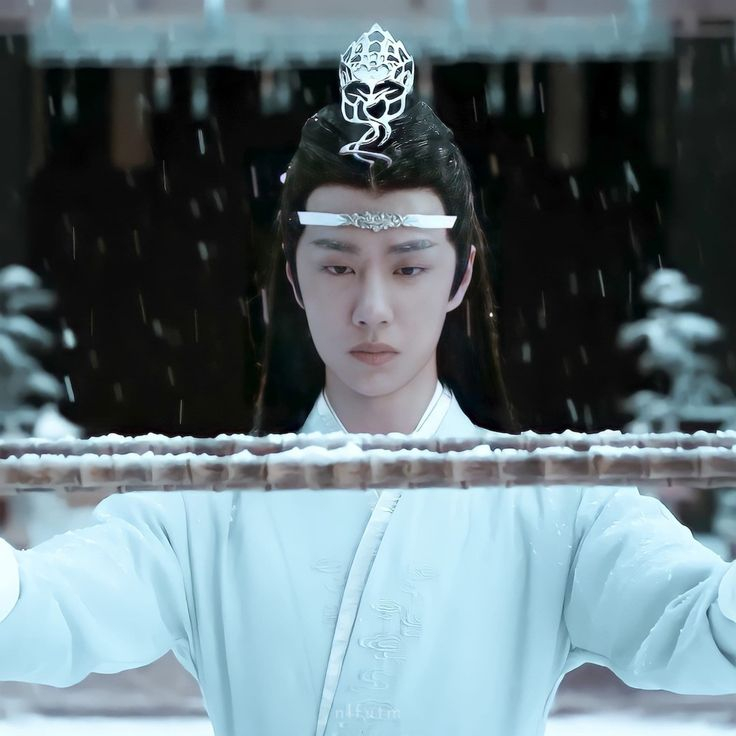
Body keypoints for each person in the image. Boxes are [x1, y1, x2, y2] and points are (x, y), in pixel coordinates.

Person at [1, 22, 736, 736]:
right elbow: (39, 615)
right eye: (338, 266)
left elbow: (704, 630)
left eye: (409, 267)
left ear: (460, 276)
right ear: (295, 278)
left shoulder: (556, 506)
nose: (372, 309)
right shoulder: (204, 511)